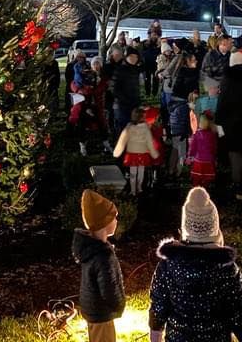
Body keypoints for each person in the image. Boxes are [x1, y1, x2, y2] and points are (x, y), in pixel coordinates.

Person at [148, 187, 242, 342]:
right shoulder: (227, 269)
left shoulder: (168, 266)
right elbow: (238, 314)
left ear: (185, 228)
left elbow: (159, 307)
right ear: (215, 228)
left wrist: (155, 336)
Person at [73, 190, 125, 342]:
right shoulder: (103, 255)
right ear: (105, 222)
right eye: (114, 217)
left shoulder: (90, 248)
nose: (116, 221)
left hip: (93, 310)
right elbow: (109, 287)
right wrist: (118, 305)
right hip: (102, 313)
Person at [214, 48, 242, 188]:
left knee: (234, 150)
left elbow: (223, 102)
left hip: (230, 120)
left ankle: (236, 180)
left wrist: (218, 121)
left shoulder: (228, 78)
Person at [113, 107, 159, 196]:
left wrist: (117, 152)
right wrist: (154, 153)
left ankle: (133, 190)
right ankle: (139, 187)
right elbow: (149, 142)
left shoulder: (129, 127)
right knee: (141, 171)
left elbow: (122, 140)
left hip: (132, 153)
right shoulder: (146, 128)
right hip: (142, 153)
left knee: (132, 172)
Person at [167, 53, 199, 178]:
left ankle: (172, 169)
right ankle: (178, 170)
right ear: (188, 62)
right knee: (181, 141)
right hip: (182, 107)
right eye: (194, 59)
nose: (196, 60)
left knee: (177, 141)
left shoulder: (180, 72)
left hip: (176, 106)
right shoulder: (189, 74)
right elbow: (191, 92)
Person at [110, 49, 142, 140]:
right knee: (122, 130)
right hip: (121, 106)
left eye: (136, 57)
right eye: (131, 56)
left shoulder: (135, 70)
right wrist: (124, 100)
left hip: (134, 104)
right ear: (126, 57)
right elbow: (114, 88)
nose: (134, 59)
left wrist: (137, 100)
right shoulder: (120, 69)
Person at [186, 112, 219, 187]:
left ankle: (196, 192)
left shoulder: (196, 134)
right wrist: (214, 158)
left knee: (196, 179)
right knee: (206, 179)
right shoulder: (212, 134)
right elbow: (214, 148)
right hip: (209, 160)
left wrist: (189, 156)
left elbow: (193, 147)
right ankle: (204, 192)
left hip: (198, 160)